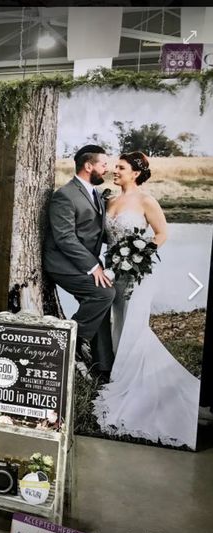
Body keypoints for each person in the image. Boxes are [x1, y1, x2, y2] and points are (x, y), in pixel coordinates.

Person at [92, 152, 199, 449]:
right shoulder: (110, 201)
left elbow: (162, 233)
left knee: (132, 325)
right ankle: (115, 369)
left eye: (121, 168)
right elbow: (105, 237)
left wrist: (137, 255)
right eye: (115, 168)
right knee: (117, 323)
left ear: (136, 173)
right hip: (113, 272)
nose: (115, 172)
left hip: (137, 274)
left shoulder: (146, 201)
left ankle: (126, 380)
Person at [43, 145, 115, 381]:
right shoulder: (64, 196)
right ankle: (67, 340)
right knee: (104, 294)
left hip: (83, 262)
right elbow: (65, 238)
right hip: (62, 263)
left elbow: (94, 231)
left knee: (101, 304)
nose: (107, 168)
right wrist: (93, 266)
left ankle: (102, 368)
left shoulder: (95, 193)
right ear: (88, 166)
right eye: (103, 164)